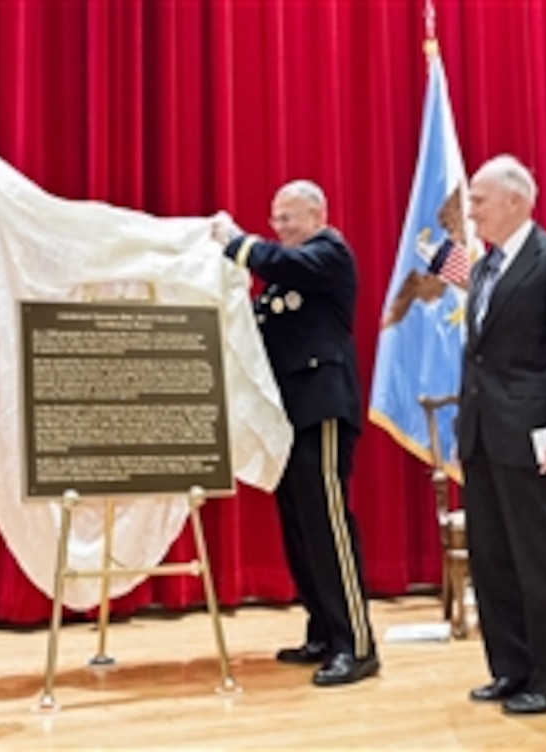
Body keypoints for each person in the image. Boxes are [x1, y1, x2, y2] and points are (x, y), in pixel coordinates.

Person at [217, 180, 378, 686]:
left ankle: (358, 643)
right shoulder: (282, 280)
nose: (280, 228)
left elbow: (280, 263)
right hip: (287, 418)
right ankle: (324, 631)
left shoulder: (329, 252)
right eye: (275, 219)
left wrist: (236, 242)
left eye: (289, 218)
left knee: (328, 526)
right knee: (301, 528)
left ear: (317, 215)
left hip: (323, 409)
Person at [456, 155, 546, 714]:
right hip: (482, 434)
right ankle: (510, 670)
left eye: (480, 201)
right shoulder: (483, 267)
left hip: (532, 433)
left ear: (515, 200)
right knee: (492, 560)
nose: (472, 211)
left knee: (539, 560)